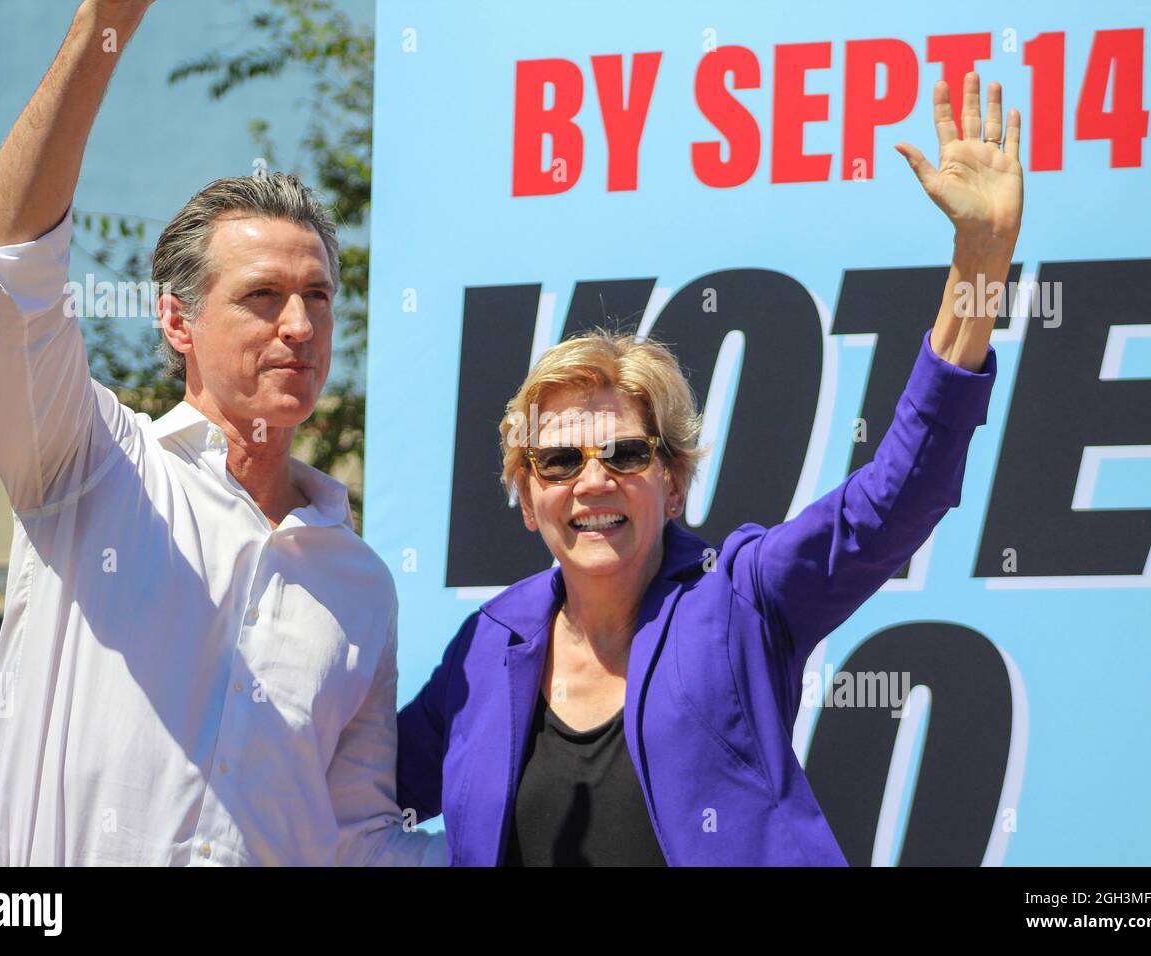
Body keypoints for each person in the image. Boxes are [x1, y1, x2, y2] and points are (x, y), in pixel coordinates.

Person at [396, 71, 1022, 865]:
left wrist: (981, 259)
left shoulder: (741, 597)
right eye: (557, 460)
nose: (593, 481)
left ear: (676, 480)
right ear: (526, 497)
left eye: (625, 453)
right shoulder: (488, 646)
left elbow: (897, 498)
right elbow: (351, 791)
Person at [0, 0, 441, 865]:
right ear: (177, 322)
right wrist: (104, 25)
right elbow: (6, 266)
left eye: (318, 298)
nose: (299, 326)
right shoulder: (90, 464)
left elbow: (358, 838)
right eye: (262, 297)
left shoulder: (360, 583)